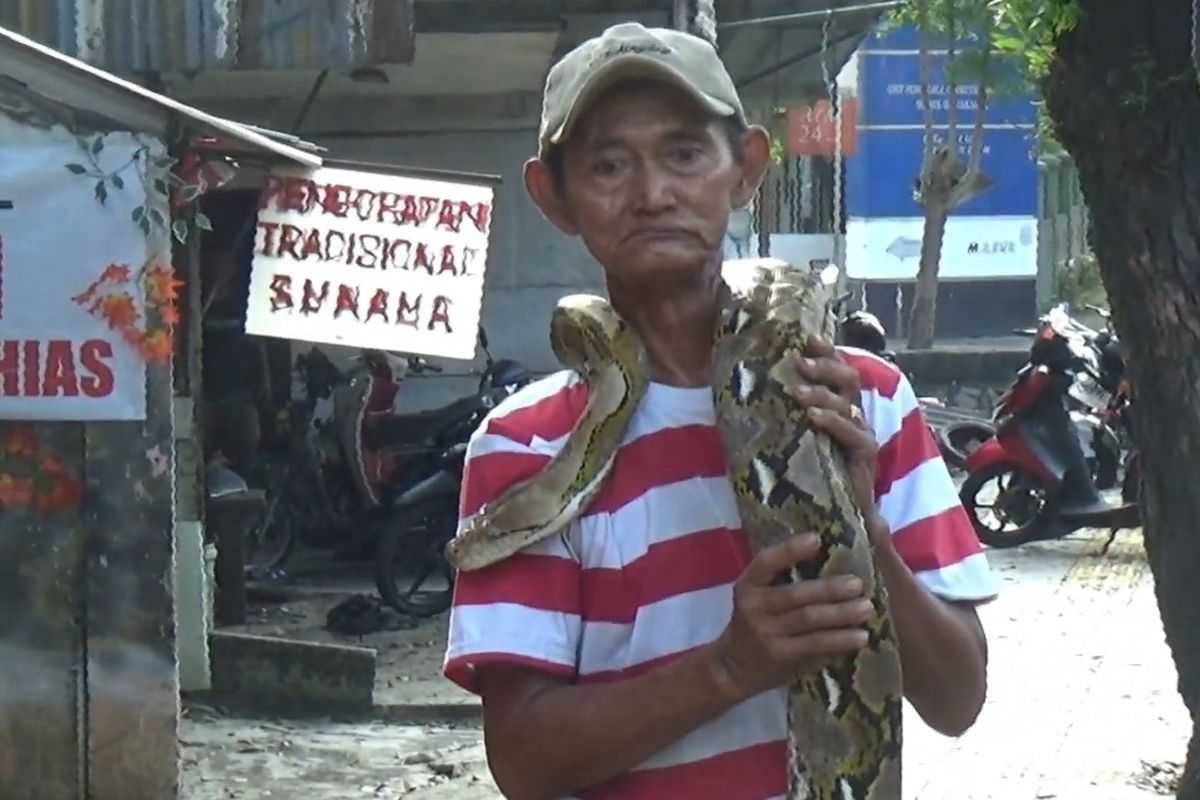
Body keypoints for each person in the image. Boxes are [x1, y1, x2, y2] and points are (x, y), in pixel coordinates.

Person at [442, 22, 999, 800]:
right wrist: (730, 666)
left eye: (685, 154)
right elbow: (524, 761)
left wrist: (861, 528)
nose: (652, 194)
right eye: (608, 165)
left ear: (746, 169)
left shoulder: (858, 397)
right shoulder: (522, 448)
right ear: (552, 196)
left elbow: (958, 698)